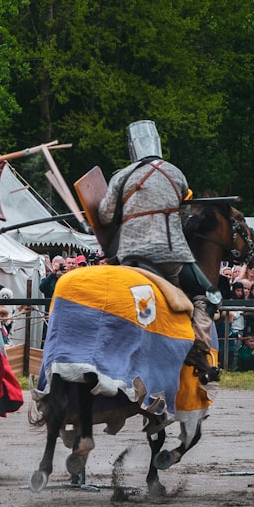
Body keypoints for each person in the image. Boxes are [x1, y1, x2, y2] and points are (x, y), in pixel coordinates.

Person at [97, 120, 219, 383]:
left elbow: (105, 216)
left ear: (132, 148)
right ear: (158, 143)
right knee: (210, 293)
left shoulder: (121, 176)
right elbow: (184, 216)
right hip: (171, 257)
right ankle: (198, 348)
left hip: (129, 256)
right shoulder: (176, 174)